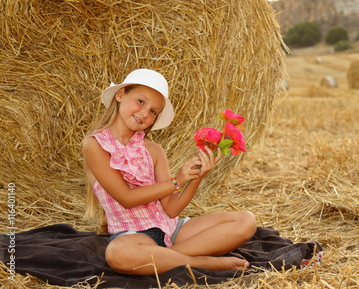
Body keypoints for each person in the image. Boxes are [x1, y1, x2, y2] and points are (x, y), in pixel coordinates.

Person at [82, 69, 256, 275]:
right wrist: (178, 180)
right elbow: (126, 198)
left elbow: (171, 210)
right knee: (118, 253)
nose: (145, 113)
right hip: (133, 236)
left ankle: (166, 258)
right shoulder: (95, 145)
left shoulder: (154, 150)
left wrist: (196, 178)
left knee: (246, 221)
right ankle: (205, 263)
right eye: (140, 101)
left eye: (154, 111)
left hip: (172, 229)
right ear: (120, 95)